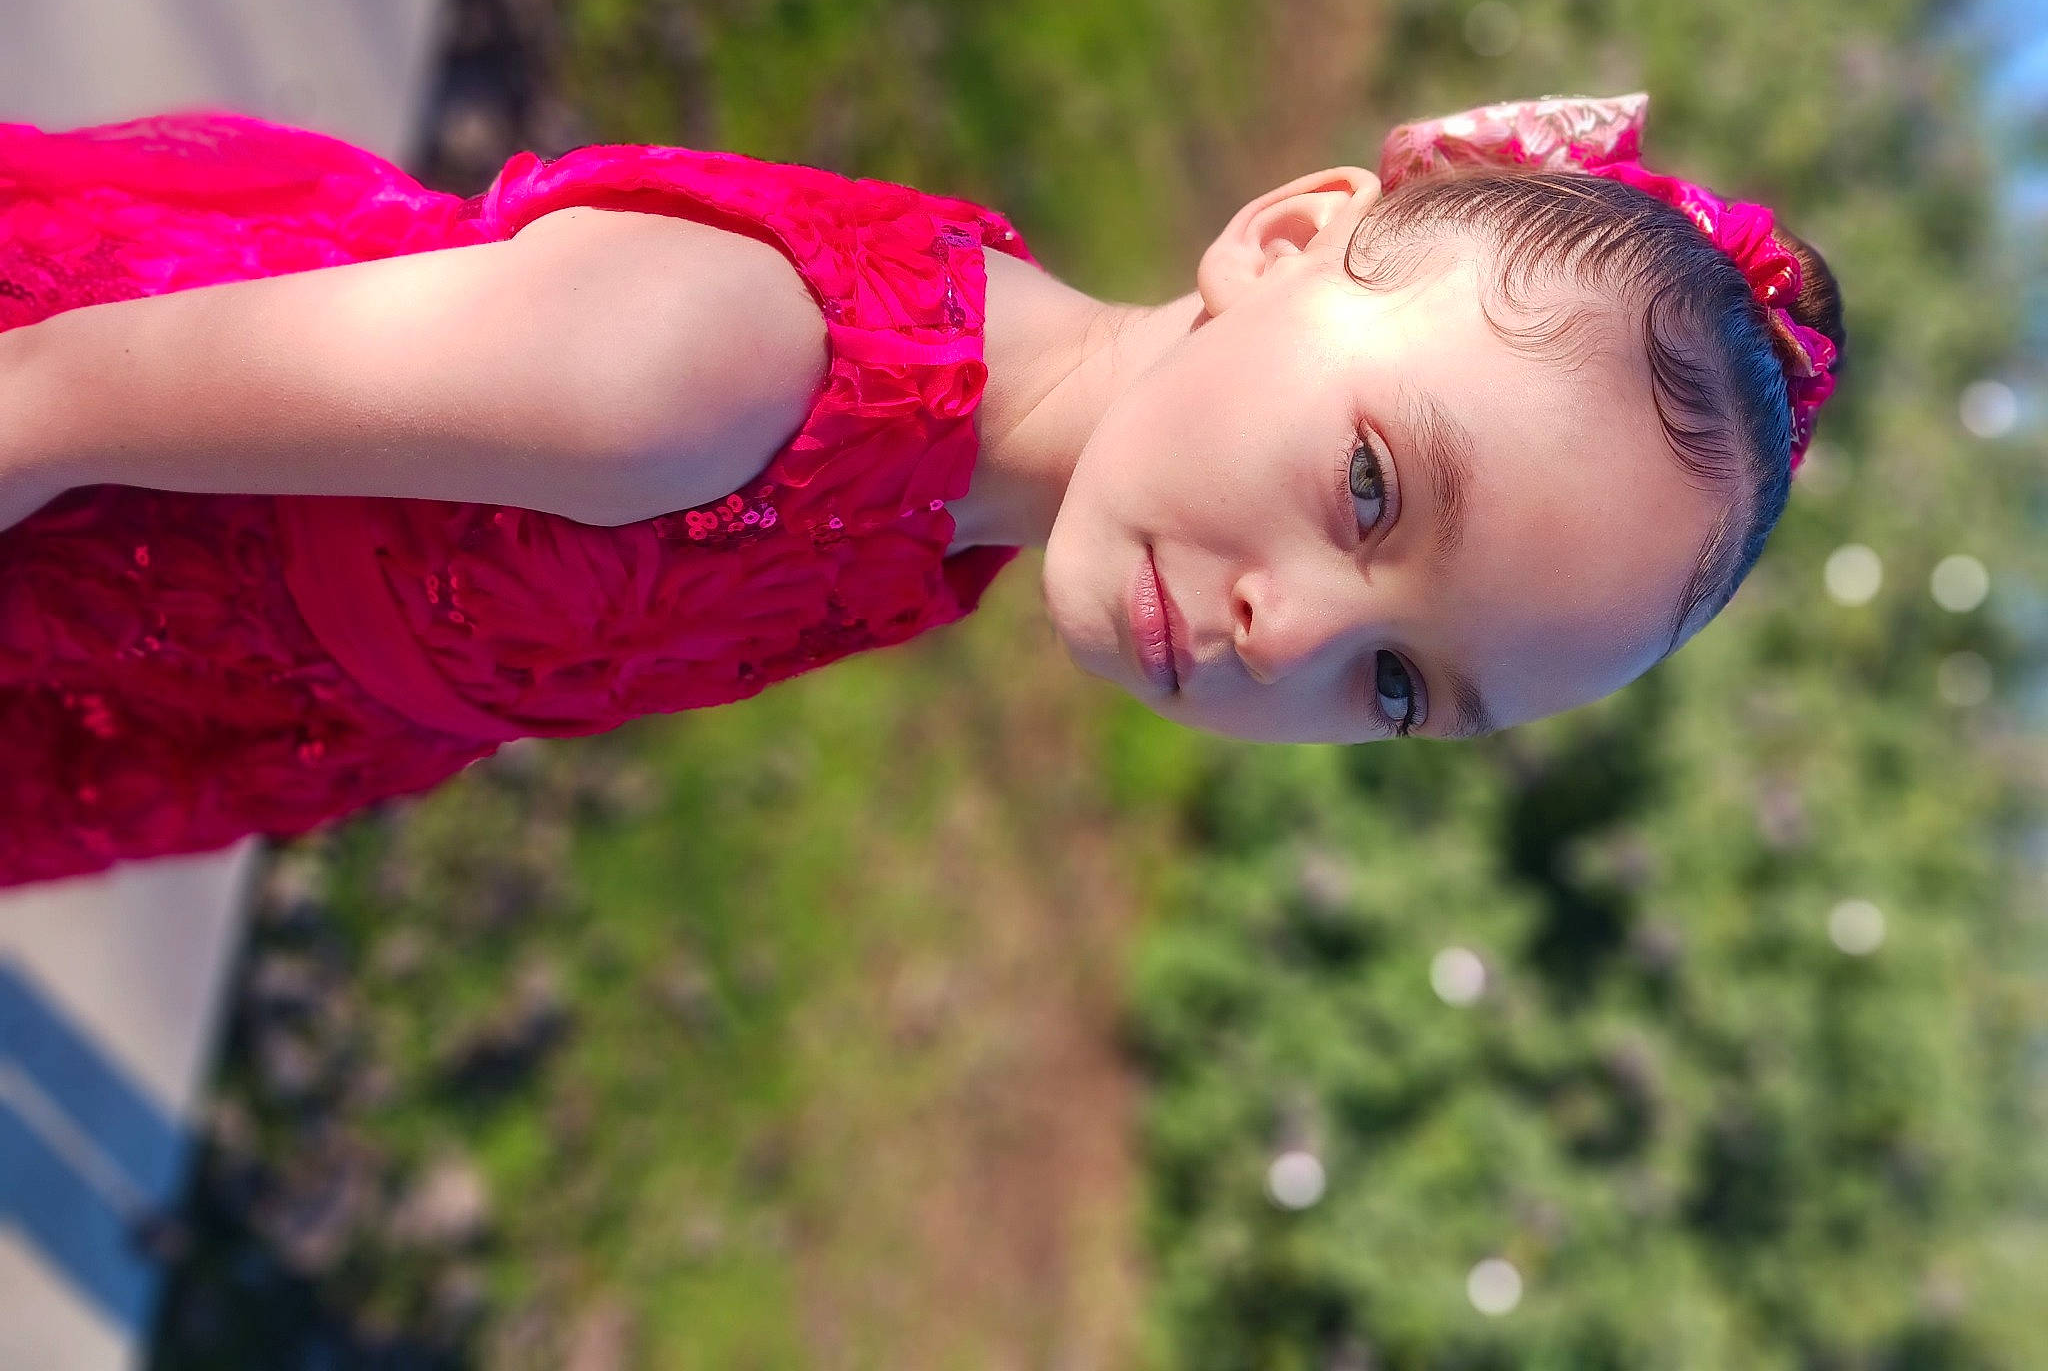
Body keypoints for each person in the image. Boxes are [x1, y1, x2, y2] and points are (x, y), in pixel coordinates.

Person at [0, 94, 1843, 880]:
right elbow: (53, 393)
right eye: (1372, 491)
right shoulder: (722, 366)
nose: (1300, 634)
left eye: (1400, 689)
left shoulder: (956, 507)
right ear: (1284, 240)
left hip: (192, 673)